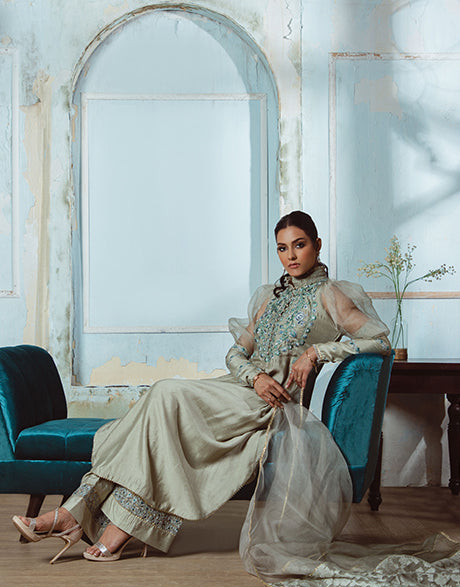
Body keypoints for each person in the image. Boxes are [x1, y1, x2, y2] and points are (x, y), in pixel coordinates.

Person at [14, 211, 391, 563]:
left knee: (165, 393)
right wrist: (254, 376)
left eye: (299, 245)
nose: (290, 256)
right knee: (160, 411)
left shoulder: (332, 296)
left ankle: (78, 517)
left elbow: (379, 341)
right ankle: (91, 519)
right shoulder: (269, 296)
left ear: (317, 245)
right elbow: (236, 353)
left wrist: (316, 352)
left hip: (270, 406)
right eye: (282, 248)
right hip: (241, 388)